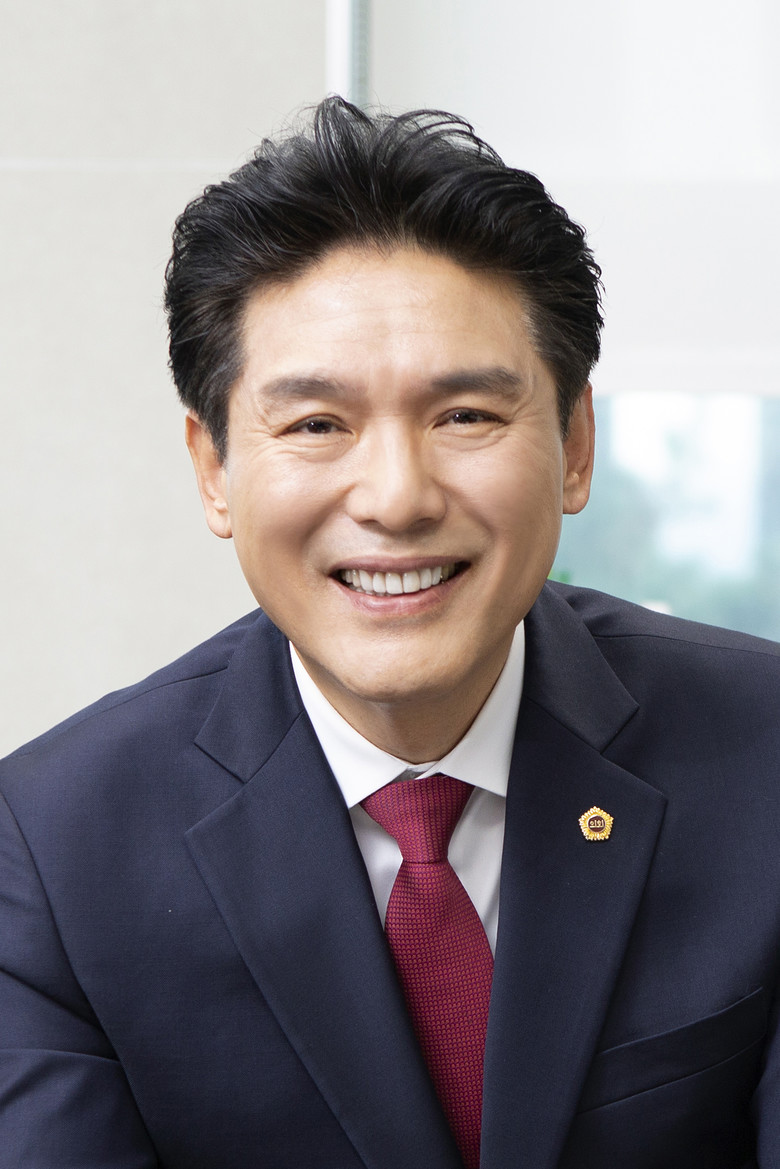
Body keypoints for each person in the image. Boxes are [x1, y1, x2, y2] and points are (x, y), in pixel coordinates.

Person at [0, 97, 778, 1169]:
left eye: (465, 416)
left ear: (575, 445)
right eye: (317, 423)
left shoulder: (765, 757)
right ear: (215, 469)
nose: (398, 497)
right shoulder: (55, 847)